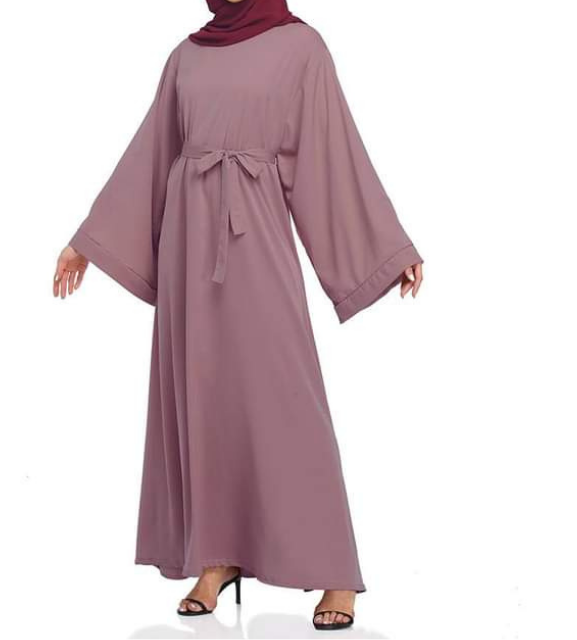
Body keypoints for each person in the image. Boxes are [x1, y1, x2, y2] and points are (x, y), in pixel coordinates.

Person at [53, 0, 423, 631]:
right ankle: (215, 556)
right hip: (188, 251)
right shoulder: (186, 56)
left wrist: (387, 250)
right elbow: (151, 156)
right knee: (205, 404)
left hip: (255, 246)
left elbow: (333, 155)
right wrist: (88, 240)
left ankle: (335, 571)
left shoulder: (301, 47)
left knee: (286, 402)